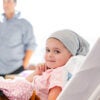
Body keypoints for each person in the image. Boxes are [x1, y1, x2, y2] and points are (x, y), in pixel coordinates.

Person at [0, 29, 89, 100]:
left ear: (71, 56)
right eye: (48, 50)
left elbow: (54, 94)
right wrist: (36, 73)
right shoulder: (50, 71)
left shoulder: (59, 73)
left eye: (57, 51)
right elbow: (26, 82)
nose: (50, 55)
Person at [0, 0, 37, 77]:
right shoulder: (1, 23)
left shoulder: (24, 23)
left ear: (15, 3)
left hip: (16, 69)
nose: (6, 4)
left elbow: (31, 45)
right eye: (4, 2)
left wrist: (24, 65)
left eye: (9, 1)